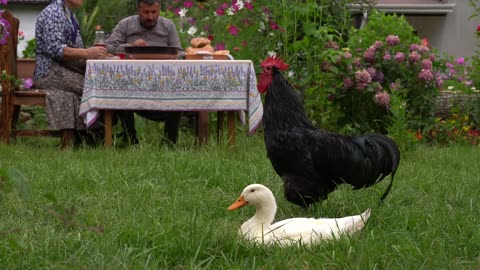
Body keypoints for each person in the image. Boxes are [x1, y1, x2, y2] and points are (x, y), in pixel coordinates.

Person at [105, 0, 183, 144]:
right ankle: (131, 139)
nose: (150, 17)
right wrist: (130, 46)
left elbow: (178, 52)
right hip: (131, 80)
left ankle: (169, 142)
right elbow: (109, 47)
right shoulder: (126, 24)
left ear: (159, 11)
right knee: (119, 89)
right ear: (138, 11)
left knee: (178, 93)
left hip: (163, 79)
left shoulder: (168, 25)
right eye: (146, 12)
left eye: (154, 12)